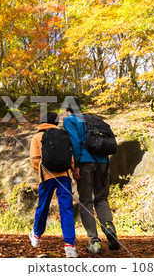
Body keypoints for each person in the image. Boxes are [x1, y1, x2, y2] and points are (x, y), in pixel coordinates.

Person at [62, 96, 120, 254]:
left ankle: (94, 242)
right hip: (104, 164)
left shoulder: (70, 120)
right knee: (101, 199)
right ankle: (109, 229)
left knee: (86, 202)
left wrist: (77, 165)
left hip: (86, 164)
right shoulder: (93, 119)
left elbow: (75, 142)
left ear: (67, 109)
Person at [29, 112, 78, 258]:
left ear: (42, 122)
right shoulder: (64, 136)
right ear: (56, 122)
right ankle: (70, 246)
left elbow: (34, 159)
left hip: (46, 176)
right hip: (64, 176)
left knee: (43, 205)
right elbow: (71, 158)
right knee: (66, 209)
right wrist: (70, 169)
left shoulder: (37, 137)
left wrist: (43, 170)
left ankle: (36, 237)